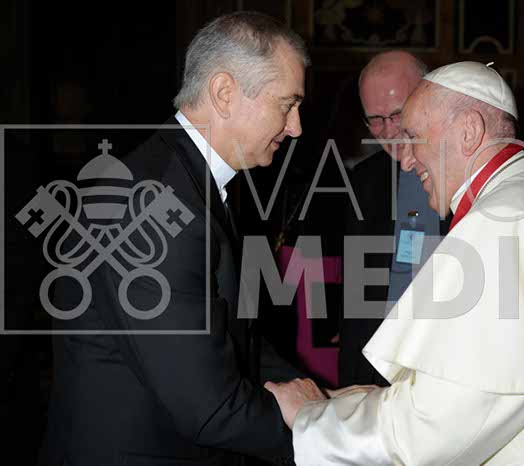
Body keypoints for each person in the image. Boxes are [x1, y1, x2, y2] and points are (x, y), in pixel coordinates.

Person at [266, 62, 524, 465]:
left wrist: (313, 416)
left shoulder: (503, 221)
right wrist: (359, 400)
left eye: (413, 137)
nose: (405, 160)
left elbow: (434, 431)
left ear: (469, 131)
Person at [42, 13, 324, 466]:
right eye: (287, 104)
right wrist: (332, 439)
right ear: (224, 92)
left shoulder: (184, 181)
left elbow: (230, 337)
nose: (296, 127)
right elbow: (209, 409)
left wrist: (320, 401)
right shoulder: (152, 204)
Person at [340, 51, 448, 387]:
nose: (389, 131)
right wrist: (352, 386)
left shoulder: (470, 175)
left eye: (398, 114)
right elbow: (356, 299)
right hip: (381, 372)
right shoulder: (364, 181)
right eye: (376, 119)